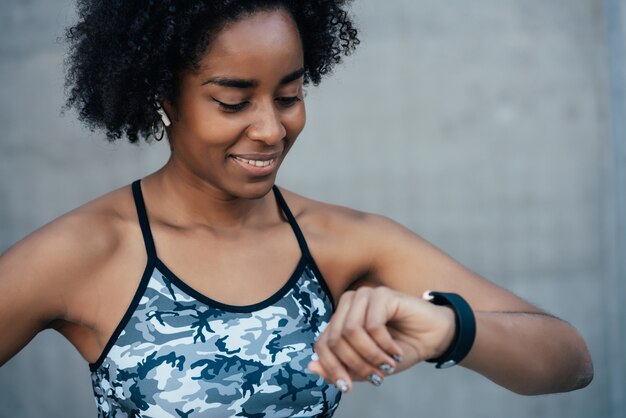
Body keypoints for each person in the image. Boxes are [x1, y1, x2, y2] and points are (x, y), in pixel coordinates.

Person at [0, 1, 593, 417]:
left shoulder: (341, 242)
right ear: (161, 98)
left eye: (289, 96)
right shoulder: (91, 250)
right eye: (233, 101)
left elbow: (568, 360)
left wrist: (447, 328)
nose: (270, 128)